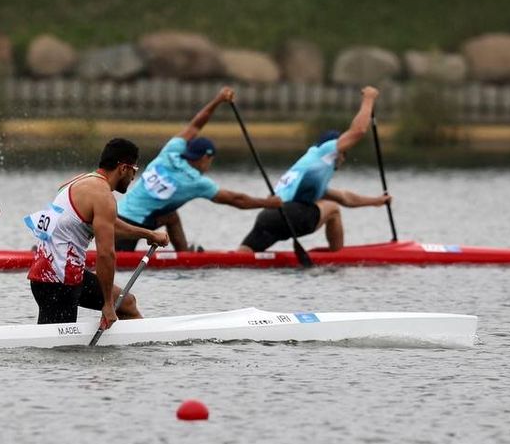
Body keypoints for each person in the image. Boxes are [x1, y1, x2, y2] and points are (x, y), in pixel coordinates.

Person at [115, 86, 281, 251]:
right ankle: (183, 257)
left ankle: (183, 255)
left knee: (171, 217)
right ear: (205, 158)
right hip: (132, 225)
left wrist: (218, 100)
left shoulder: (171, 151)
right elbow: (237, 200)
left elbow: (196, 124)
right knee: (117, 269)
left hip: (117, 214)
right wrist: (269, 203)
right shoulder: (196, 182)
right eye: (211, 161)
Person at [27, 138, 169, 328]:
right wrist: (108, 305)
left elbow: (108, 224)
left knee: (126, 303)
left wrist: (149, 235)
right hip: (59, 281)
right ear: (123, 168)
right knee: (57, 353)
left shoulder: (79, 180)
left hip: (53, 273)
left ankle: (141, 348)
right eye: (134, 170)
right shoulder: (103, 196)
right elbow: (105, 254)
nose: (134, 177)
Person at [239, 86, 391, 253]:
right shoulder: (327, 151)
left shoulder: (309, 167)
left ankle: (226, 258)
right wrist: (369, 99)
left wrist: (376, 201)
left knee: (243, 256)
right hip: (292, 215)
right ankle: (337, 255)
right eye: (344, 152)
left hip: (267, 217)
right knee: (333, 210)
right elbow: (358, 131)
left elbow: (345, 197)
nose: (344, 157)